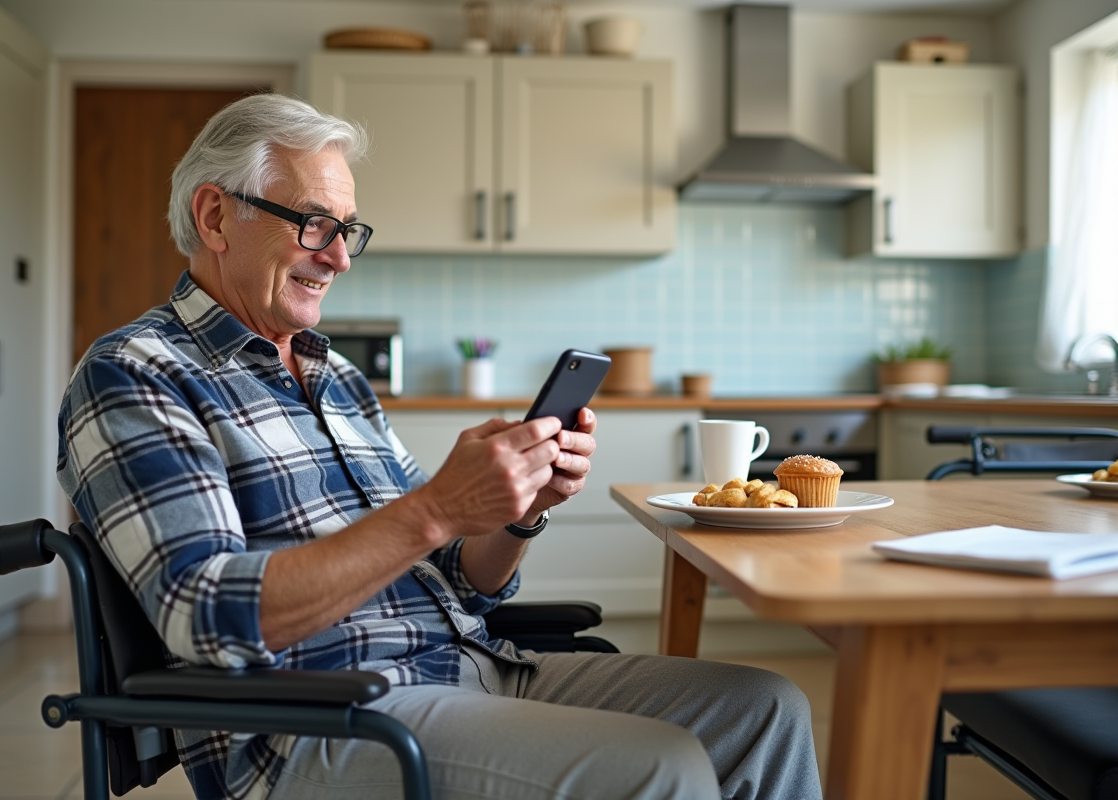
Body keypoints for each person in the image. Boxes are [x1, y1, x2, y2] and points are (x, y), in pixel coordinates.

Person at [56, 93, 822, 800]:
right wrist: (436, 507)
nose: (340, 257)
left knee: (765, 708)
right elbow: (205, 616)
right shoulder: (135, 376)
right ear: (216, 216)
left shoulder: (337, 377)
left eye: (347, 230)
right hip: (316, 723)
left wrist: (518, 510)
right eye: (313, 224)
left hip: (475, 671)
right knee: (664, 767)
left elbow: (462, 581)